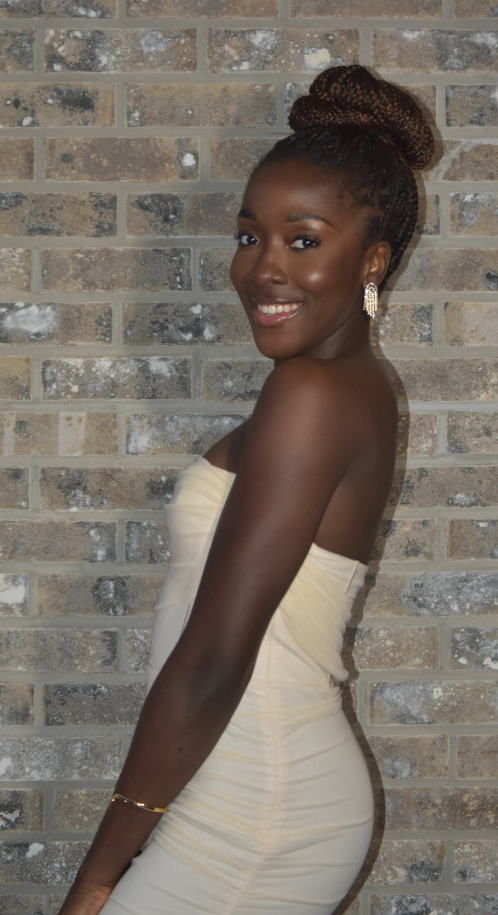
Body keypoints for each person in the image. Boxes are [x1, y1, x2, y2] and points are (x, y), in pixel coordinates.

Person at [59, 64, 434, 915]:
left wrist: (98, 876)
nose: (263, 268)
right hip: (241, 788)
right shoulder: (342, 388)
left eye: (304, 239)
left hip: (256, 813)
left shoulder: (313, 396)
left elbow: (214, 660)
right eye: (248, 236)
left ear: (372, 259)